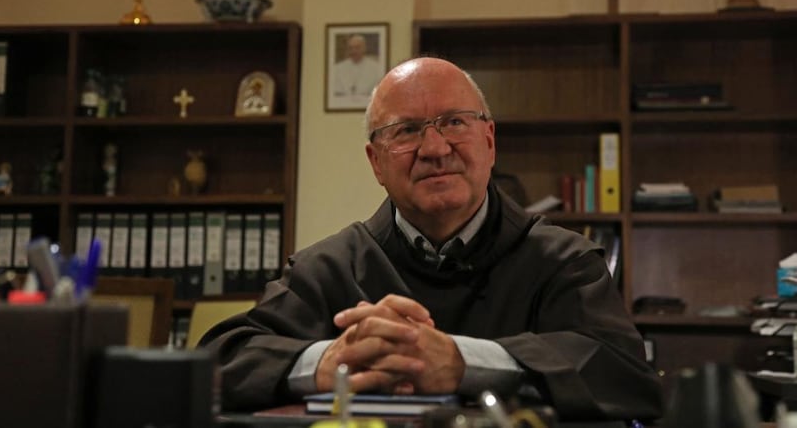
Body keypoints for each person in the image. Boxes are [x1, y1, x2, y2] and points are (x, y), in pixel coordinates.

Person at [199, 57, 663, 421]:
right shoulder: (329, 268)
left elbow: (625, 374)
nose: (436, 149)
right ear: (376, 162)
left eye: (455, 122)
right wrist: (330, 361)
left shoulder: (563, 261)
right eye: (406, 131)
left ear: (490, 141)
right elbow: (217, 361)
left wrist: (462, 361)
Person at [332, 34, 382, 99]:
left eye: (357, 47)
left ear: (364, 48)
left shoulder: (376, 68)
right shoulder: (337, 68)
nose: (354, 51)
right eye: (350, 48)